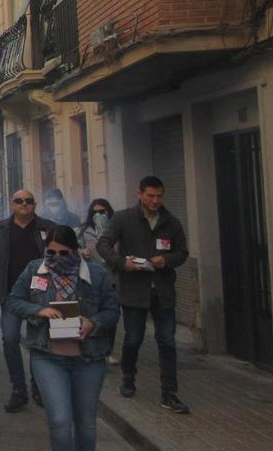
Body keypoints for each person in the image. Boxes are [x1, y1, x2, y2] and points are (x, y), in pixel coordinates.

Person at [6, 226, 119, 451]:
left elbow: (112, 311)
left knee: (86, 423)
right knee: (59, 419)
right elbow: (14, 300)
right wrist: (38, 311)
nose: (56, 258)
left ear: (75, 251)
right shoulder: (34, 270)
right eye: (51, 252)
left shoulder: (96, 275)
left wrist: (93, 323)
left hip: (88, 358)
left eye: (63, 253)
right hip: (48, 357)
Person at [96, 176, 190, 414]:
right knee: (133, 338)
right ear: (140, 194)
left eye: (159, 196)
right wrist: (121, 262)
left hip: (162, 291)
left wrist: (165, 260)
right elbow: (103, 244)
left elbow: (182, 252)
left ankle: (169, 392)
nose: (155, 200)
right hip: (134, 291)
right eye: (150, 196)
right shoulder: (124, 218)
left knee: (167, 341)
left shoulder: (171, 222)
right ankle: (128, 376)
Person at [0, 189, 55, 412]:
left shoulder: (48, 227)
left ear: (35, 205)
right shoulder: (1, 229)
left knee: (38, 343)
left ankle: (40, 388)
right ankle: (18, 389)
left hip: (41, 296)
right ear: (11, 204)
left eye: (28, 201)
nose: (24, 204)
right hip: (11, 294)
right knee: (9, 339)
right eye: (19, 201)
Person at [78, 199, 118, 364]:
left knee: (110, 315)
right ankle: (92, 349)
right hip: (92, 280)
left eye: (102, 212)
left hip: (113, 277)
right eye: (95, 212)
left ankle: (109, 350)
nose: (99, 215)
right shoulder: (83, 231)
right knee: (92, 315)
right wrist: (82, 252)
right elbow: (75, 249)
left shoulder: (116, 230)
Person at [77, 199, 115, 263]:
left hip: (114, 269)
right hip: (95, 269)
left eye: (101, 211)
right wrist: (82, 252)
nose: (97, 215)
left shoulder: (116, 227)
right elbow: (77, 249)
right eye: (94, 212)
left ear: (108, 211)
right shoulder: (84, 230)